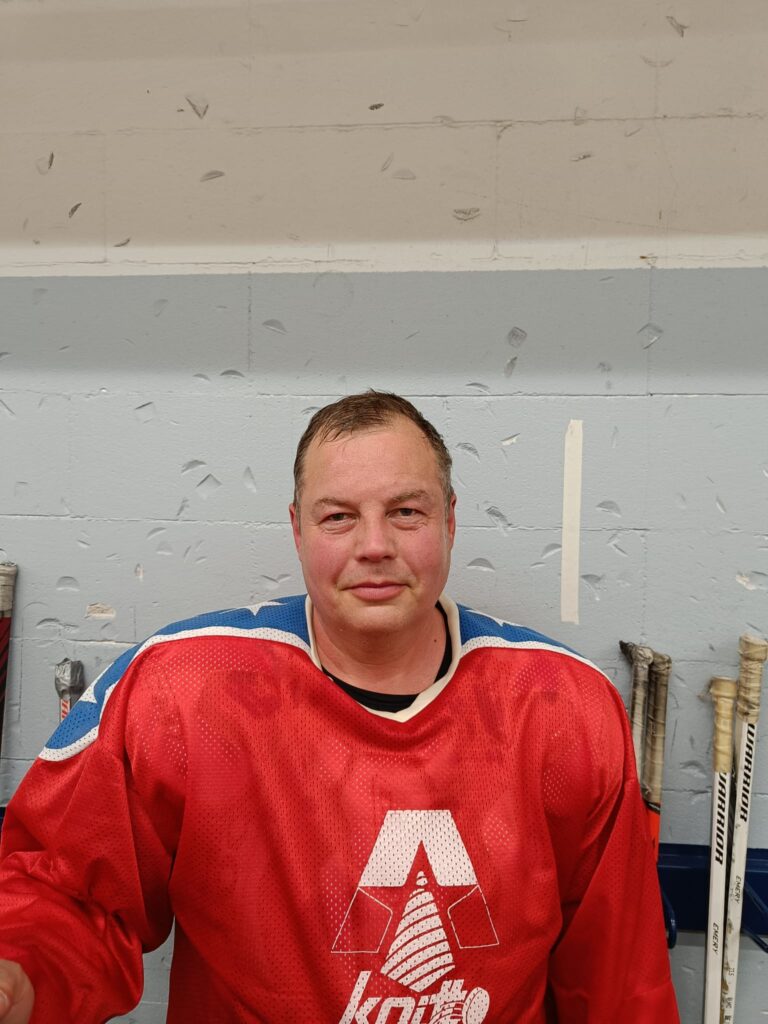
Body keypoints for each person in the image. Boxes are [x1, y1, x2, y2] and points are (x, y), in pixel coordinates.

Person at [0, 391, 679, 1023]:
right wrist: (20, 974)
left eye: (406, 512)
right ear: (298, 530)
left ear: (449, 521)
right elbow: (66, 893)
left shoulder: (564, 704)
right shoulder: (181, 689)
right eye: (339, 517)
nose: (374, 546)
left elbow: (618, 978)